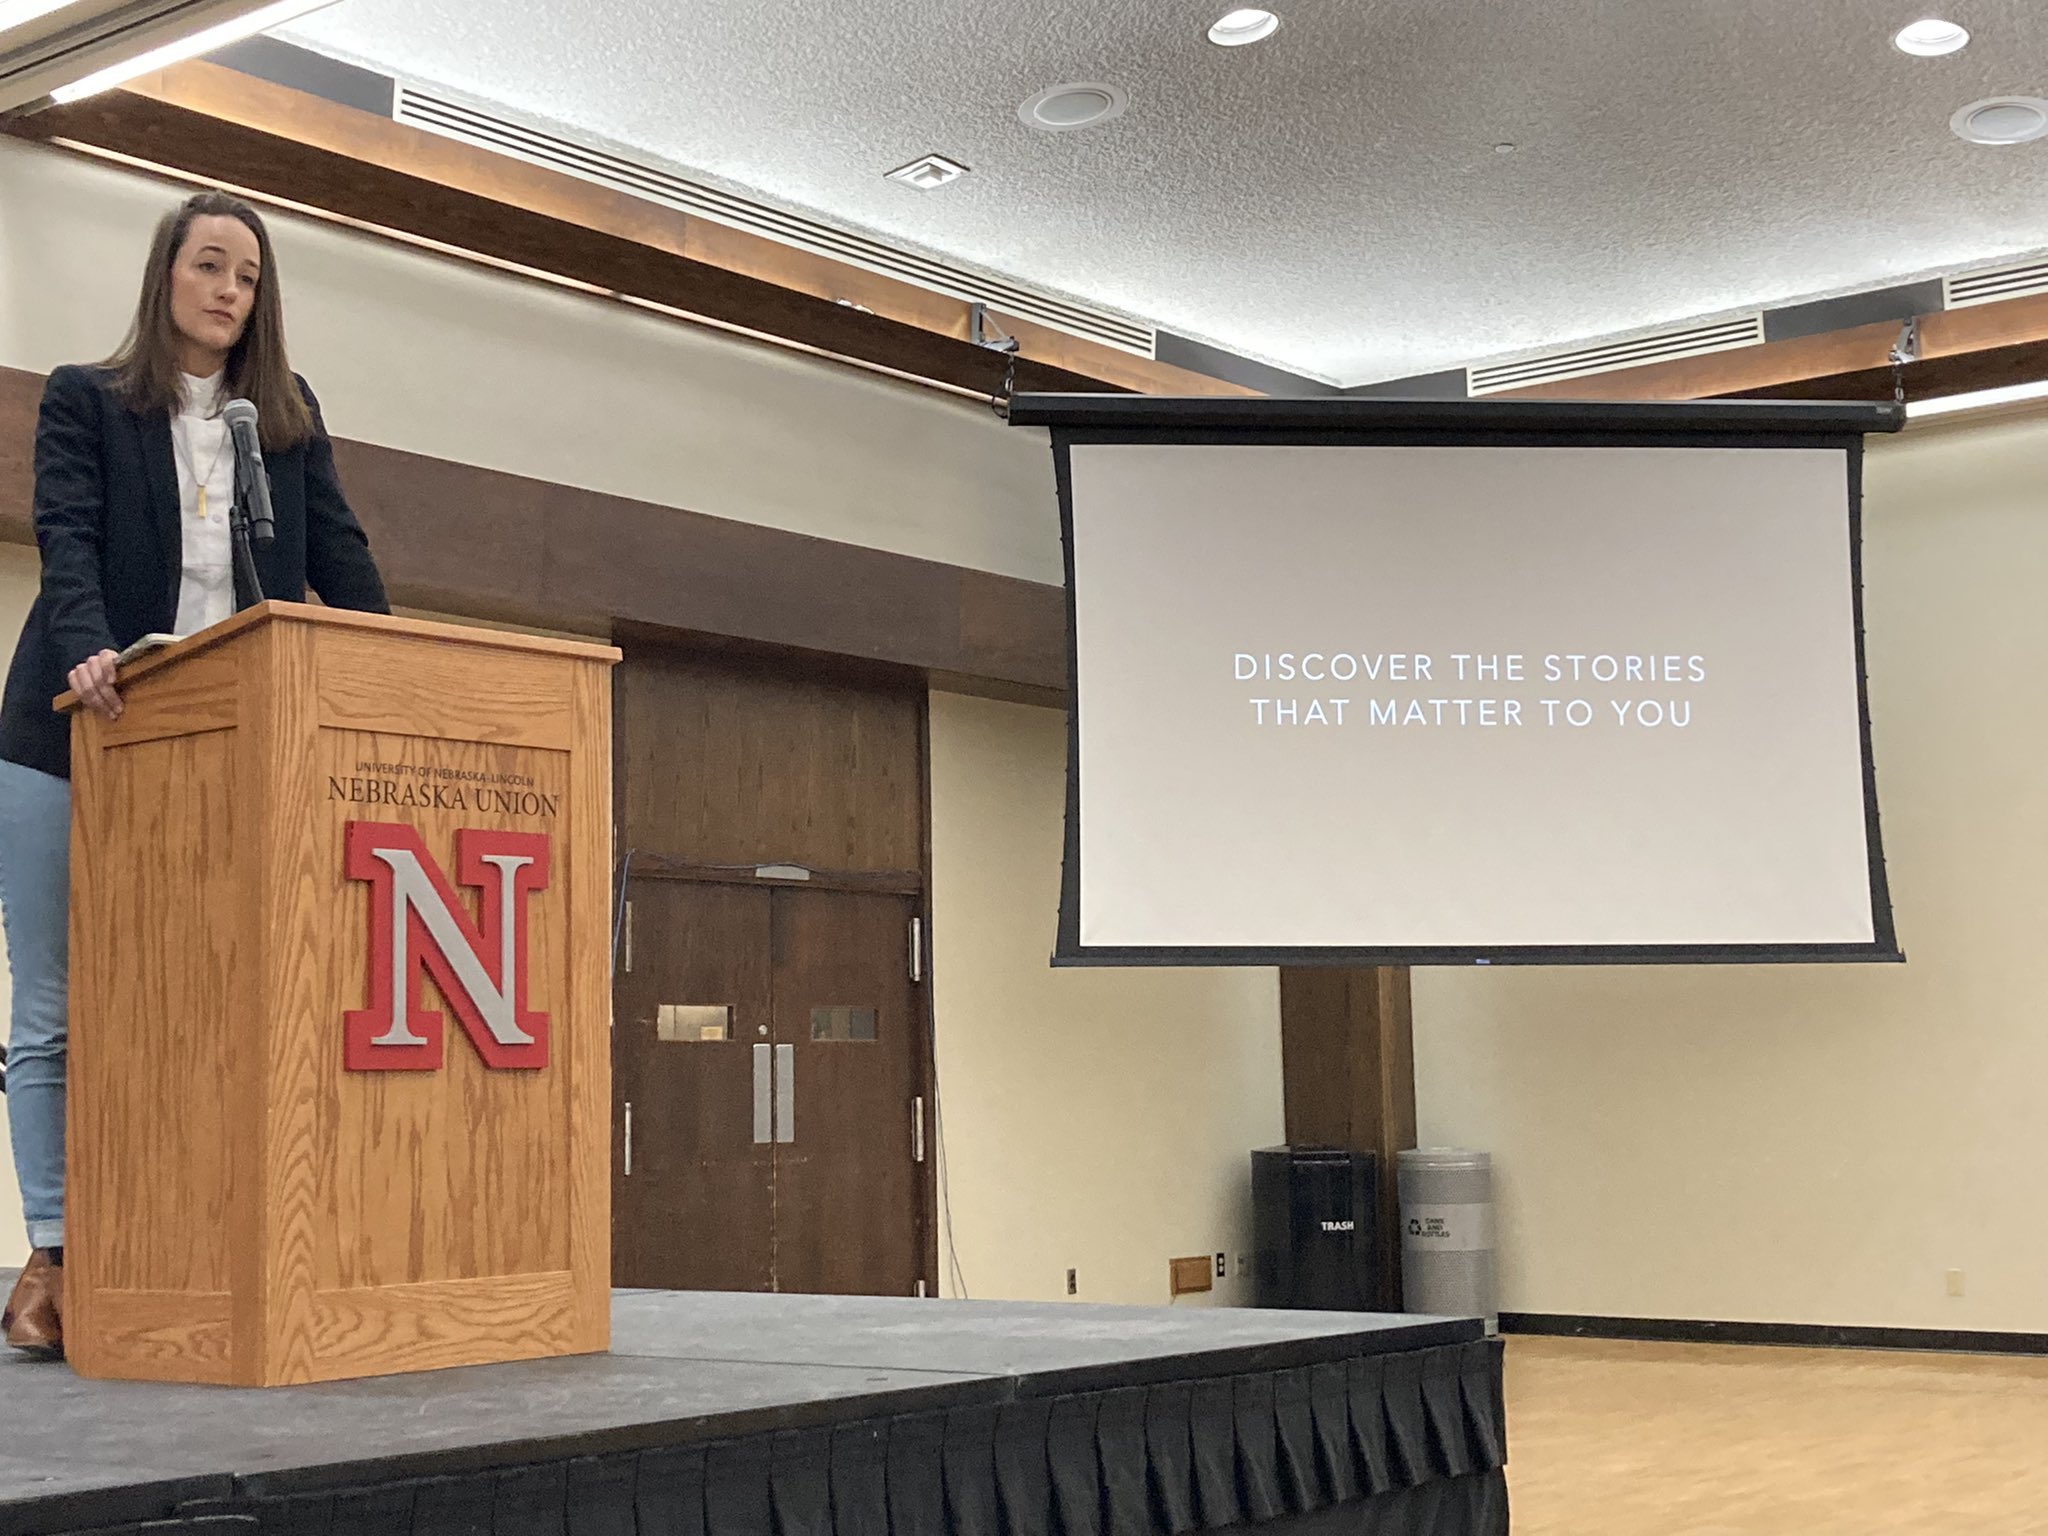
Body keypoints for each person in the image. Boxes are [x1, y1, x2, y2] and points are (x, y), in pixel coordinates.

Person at [0, 191, 390, 1358]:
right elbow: (64, 537)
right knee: (55, 1013)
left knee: (200, 1000)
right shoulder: (87, 399)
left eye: (249, 277)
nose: (229, 291)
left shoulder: (283, 419)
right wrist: (85, 646)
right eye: (210, 265)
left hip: (221, 744)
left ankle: (180, 1231)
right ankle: (58, 1253)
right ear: (166, 276)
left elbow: (341, 556)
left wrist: (391, 663)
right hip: (71, 726)